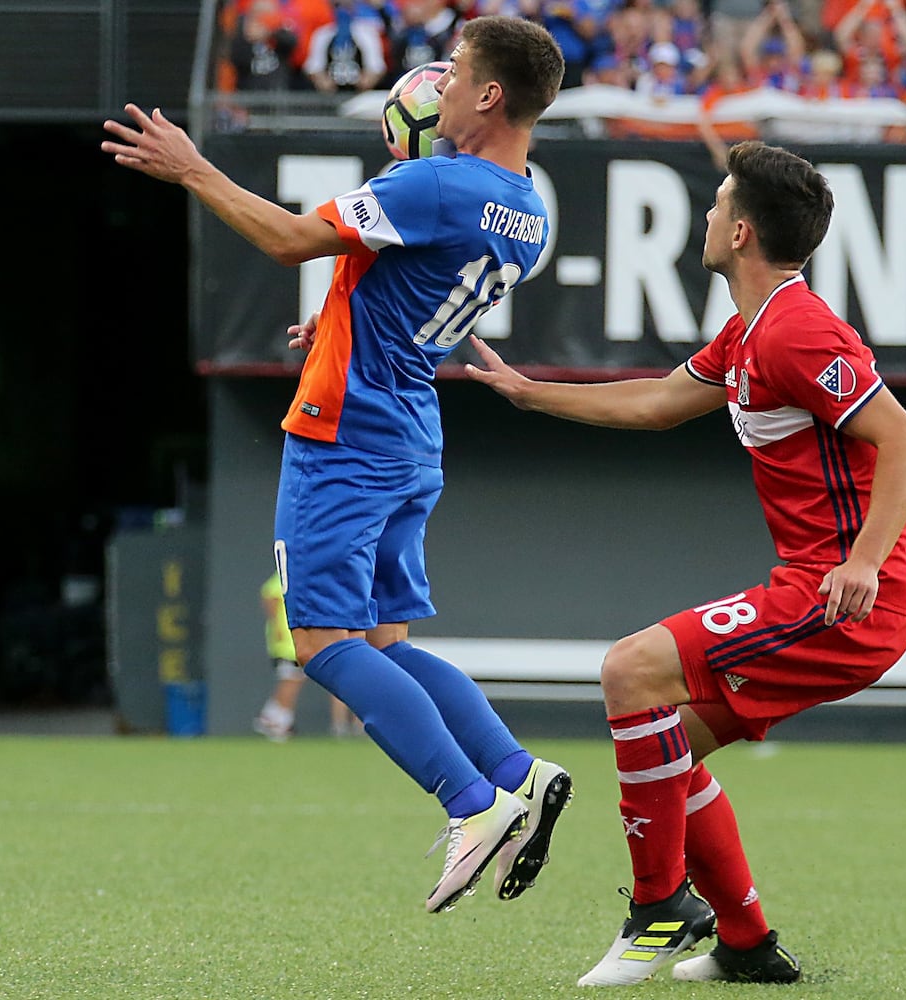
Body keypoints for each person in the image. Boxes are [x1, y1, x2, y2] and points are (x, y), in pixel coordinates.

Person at [102, 15, 572, 916]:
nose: (434, 81)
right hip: (409, 425)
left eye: (455, 70)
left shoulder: (437, 181)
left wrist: (192, 167)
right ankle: (520, 770)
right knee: (386, 641)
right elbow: (426, 291)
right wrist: (343, 317)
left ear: (489, 96)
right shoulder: (530, 204)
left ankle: (473, 805)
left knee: (319, 642)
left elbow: (287, 240)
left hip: (347, 429)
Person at [465, 140, 906, 986]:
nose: (708, 214)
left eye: (718, 203)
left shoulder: (798, 330)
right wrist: (532, 393)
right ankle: (747, 946)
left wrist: (862, 563)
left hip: (848, 599)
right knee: (665, 753)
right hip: (815, 590)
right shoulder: (748, 333)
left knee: (629, 670)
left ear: (743, 231)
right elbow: (655, 401)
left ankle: (657, 911)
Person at [253, 570, 362, 740]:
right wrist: (277, 627)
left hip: (295, 640)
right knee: (291, 678)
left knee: (294, 678)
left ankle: (277, 718)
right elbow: (270, 596)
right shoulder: (287, 571)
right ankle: (272, 718)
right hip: (286, 641)